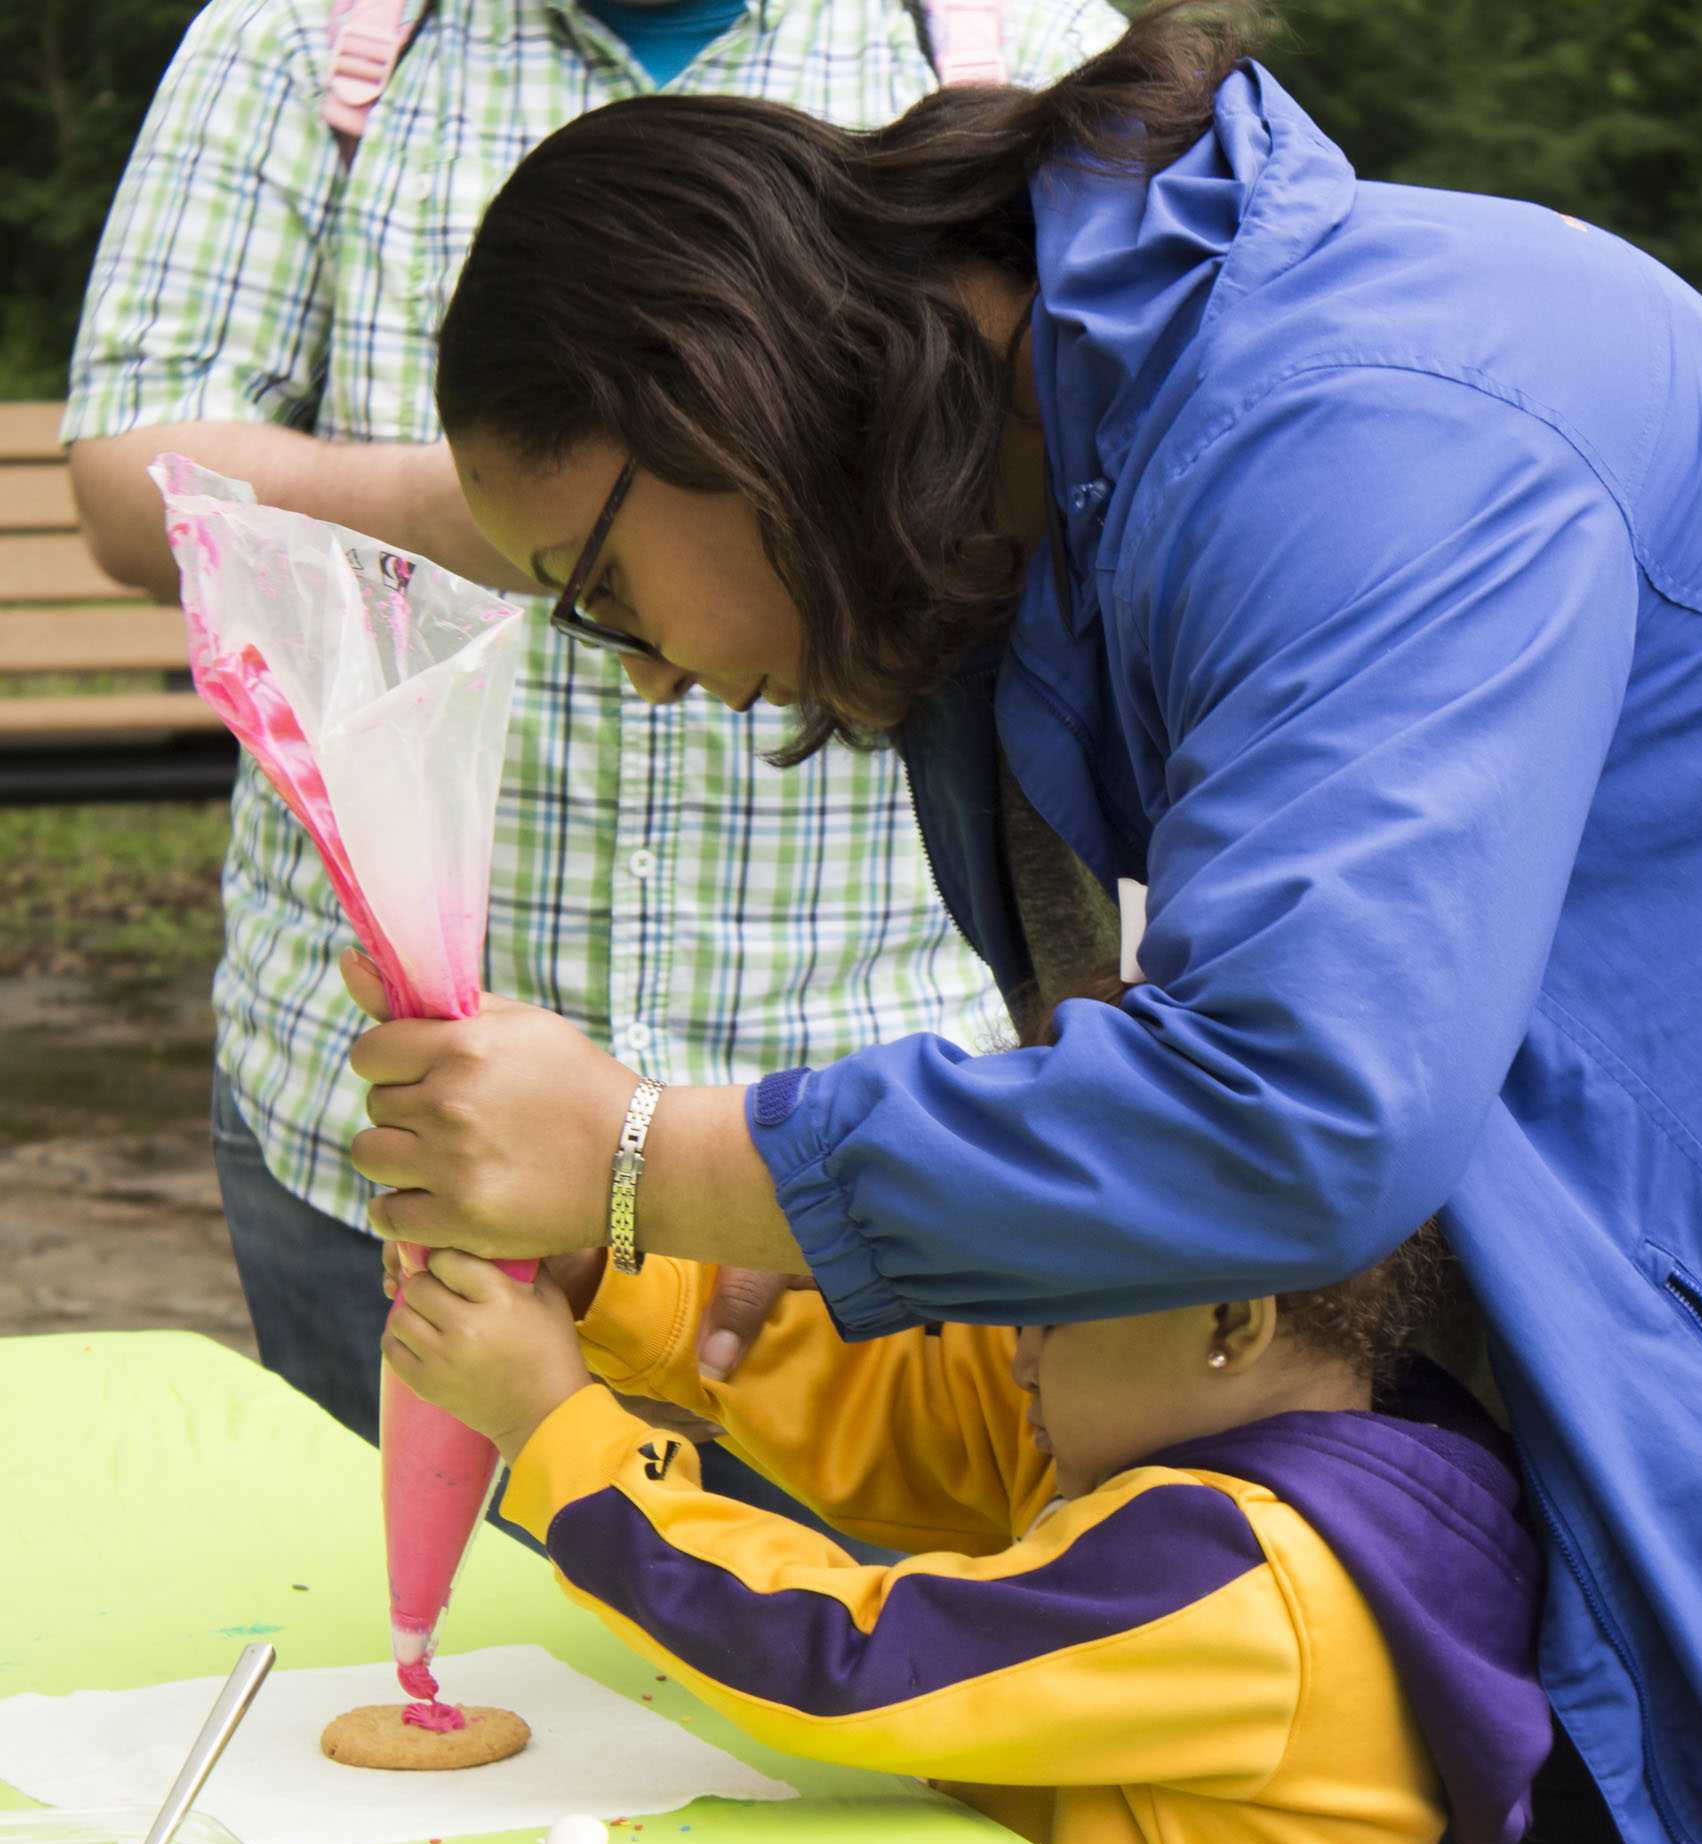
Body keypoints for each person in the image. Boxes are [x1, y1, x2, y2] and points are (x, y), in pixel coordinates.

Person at [350, 5, 1702, 1844]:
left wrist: (651, 1158)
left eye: (596, 590)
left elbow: (1297, 1113)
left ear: (726, 404)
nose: (639, 675)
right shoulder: (1032, 469)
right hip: (1657, 1359)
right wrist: (758, 1247)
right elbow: (1167, 1076)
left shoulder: (1355, 420)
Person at [62, 0, 1125, 1485]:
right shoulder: (304, 36)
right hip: (385, 1125)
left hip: (857, 1100)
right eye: (594, 606)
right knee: (420, 1668)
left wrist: (634, 505)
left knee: (842, 1664)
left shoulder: (1019, 39)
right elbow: (131, 481)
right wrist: (536, 517)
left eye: (609, 599)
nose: (652, 674)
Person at [371, 1007, 1547, 1844]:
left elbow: (840, 1658)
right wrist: (607, 1288)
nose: (1016, 1353)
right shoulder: (1228, 1411)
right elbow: (913, 1417)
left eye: (1040, 1314)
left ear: (1230, 1320)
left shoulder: (1253, 1581)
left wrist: (553, 1427)